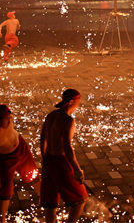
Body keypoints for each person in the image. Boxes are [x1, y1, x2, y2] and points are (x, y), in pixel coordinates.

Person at [40, 89, 88, 222]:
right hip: (61, 163)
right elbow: (67, 147)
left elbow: (42, 139)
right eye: (78, 102)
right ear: (71, 102)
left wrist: (44, 161)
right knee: (79, 200)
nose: (78, 104)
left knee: (50, 204)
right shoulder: (68, 120)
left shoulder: (51, 115)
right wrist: (77, 169)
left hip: (49, 160)